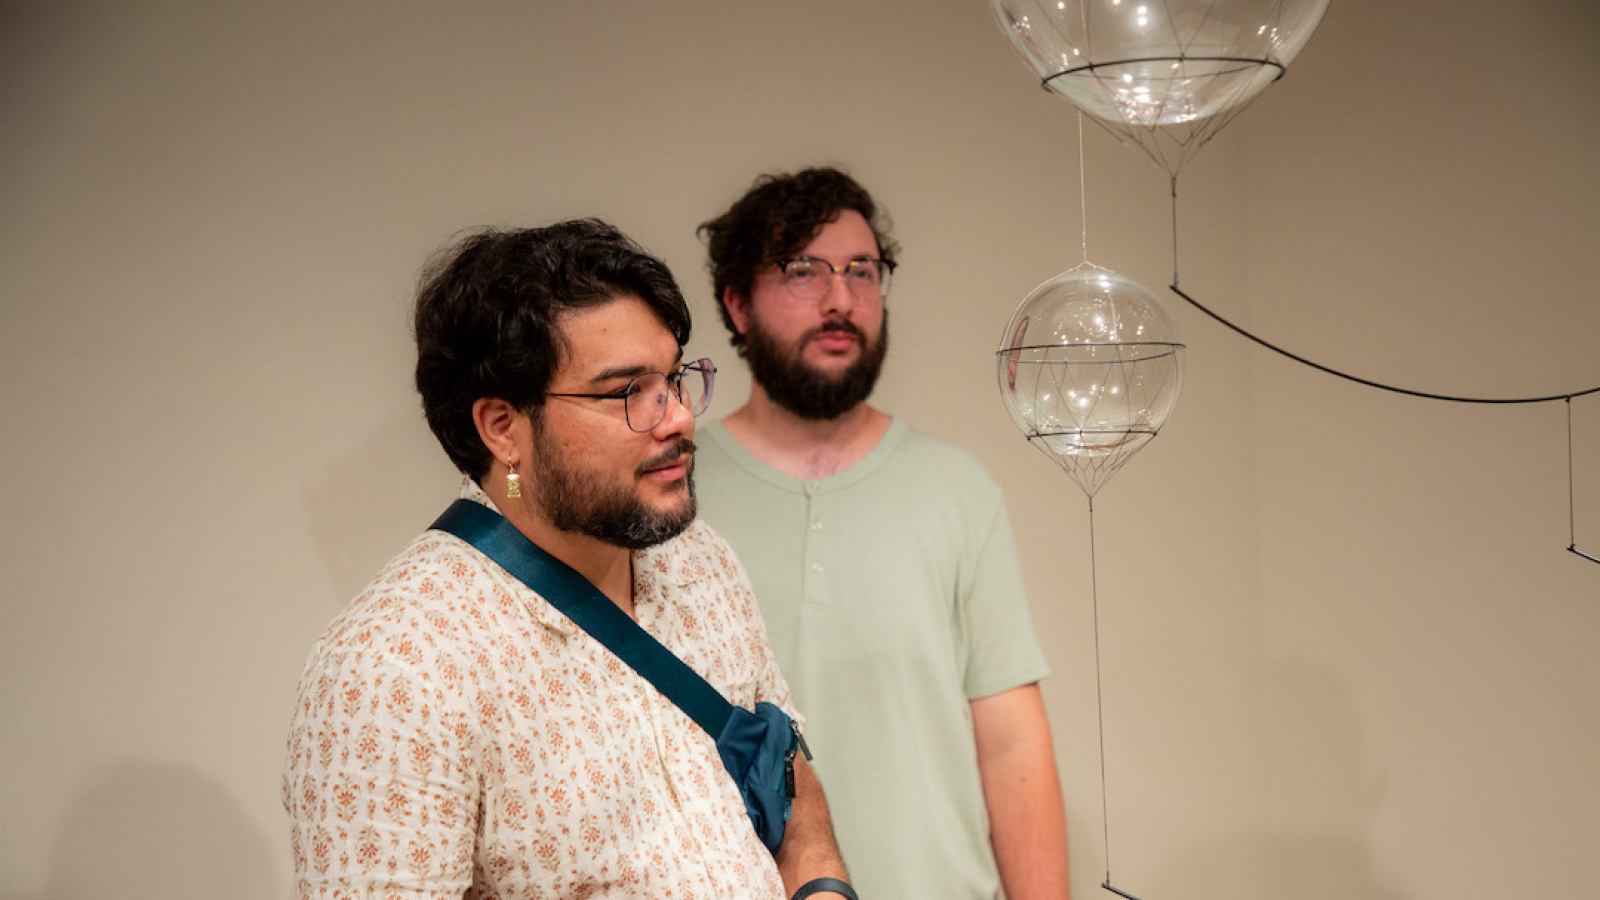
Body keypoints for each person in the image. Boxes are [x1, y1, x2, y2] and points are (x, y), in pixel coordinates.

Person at [283, 219, 856, 899]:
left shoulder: (699, 560)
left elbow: (788, 778)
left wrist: (823, 890)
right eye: (626, 393)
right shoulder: (396, 667)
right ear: (503, 428)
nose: (676, 417)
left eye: (673, 379)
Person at [693, 168, 1071, 900]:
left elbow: (1011, 745)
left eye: (862, 271)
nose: (842, 299)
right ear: (737, 305)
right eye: (804, 271)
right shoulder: (668, 494)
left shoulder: (957, 490)